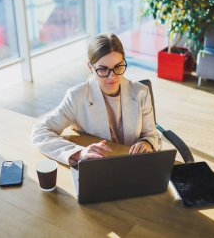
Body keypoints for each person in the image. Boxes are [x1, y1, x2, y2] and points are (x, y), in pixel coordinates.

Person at [31, 33, 158, 166]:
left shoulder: (141, 92)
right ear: (90, 67)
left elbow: (151, 135)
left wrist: (146, 142)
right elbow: (40, 131)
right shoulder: (77, 96)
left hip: (134, 165)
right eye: (103, 69)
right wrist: (78, 153)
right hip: (99, 165)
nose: (112, 77)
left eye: (118, 67)